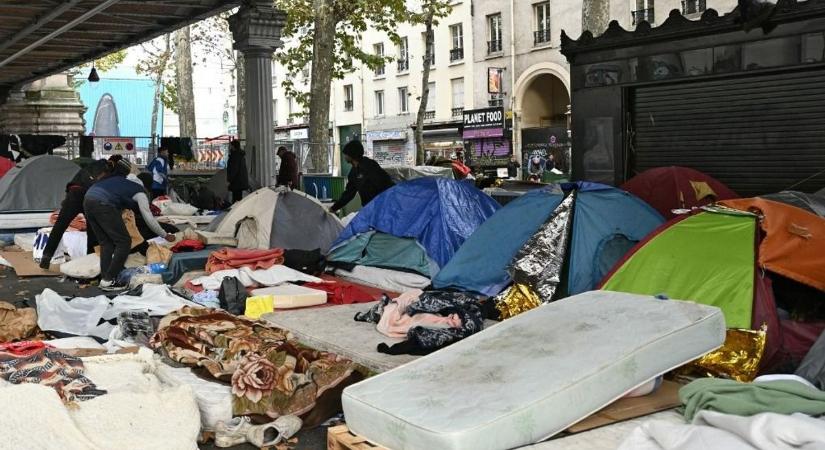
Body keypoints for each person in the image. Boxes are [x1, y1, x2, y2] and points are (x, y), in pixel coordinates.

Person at [84, 159, 175, 291]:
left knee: (106, 243)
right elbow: (148, 218)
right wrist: (165, 235)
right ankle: (109, 279)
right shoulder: (141, 193)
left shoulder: (118, 183)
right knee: (124, 242)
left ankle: (105, 280)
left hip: (88, 200)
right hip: (103, 203)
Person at [38, 159, 110, 270]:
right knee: (92, 230)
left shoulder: (85, 169)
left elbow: (71, 184)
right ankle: (89, 260)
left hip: (73, 194)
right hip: (88, 197)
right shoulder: (105, 171)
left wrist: (67, 201)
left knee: (59, 226)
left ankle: (46, 256)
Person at [329, 140, 394, 214]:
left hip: (382, 207)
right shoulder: (353, 172)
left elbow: (385, 184)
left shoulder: (370, 165)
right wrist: (334, 208)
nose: (344, 156)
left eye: (346, 154)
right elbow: (349, 193)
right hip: (368, 208)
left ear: (351, 154)